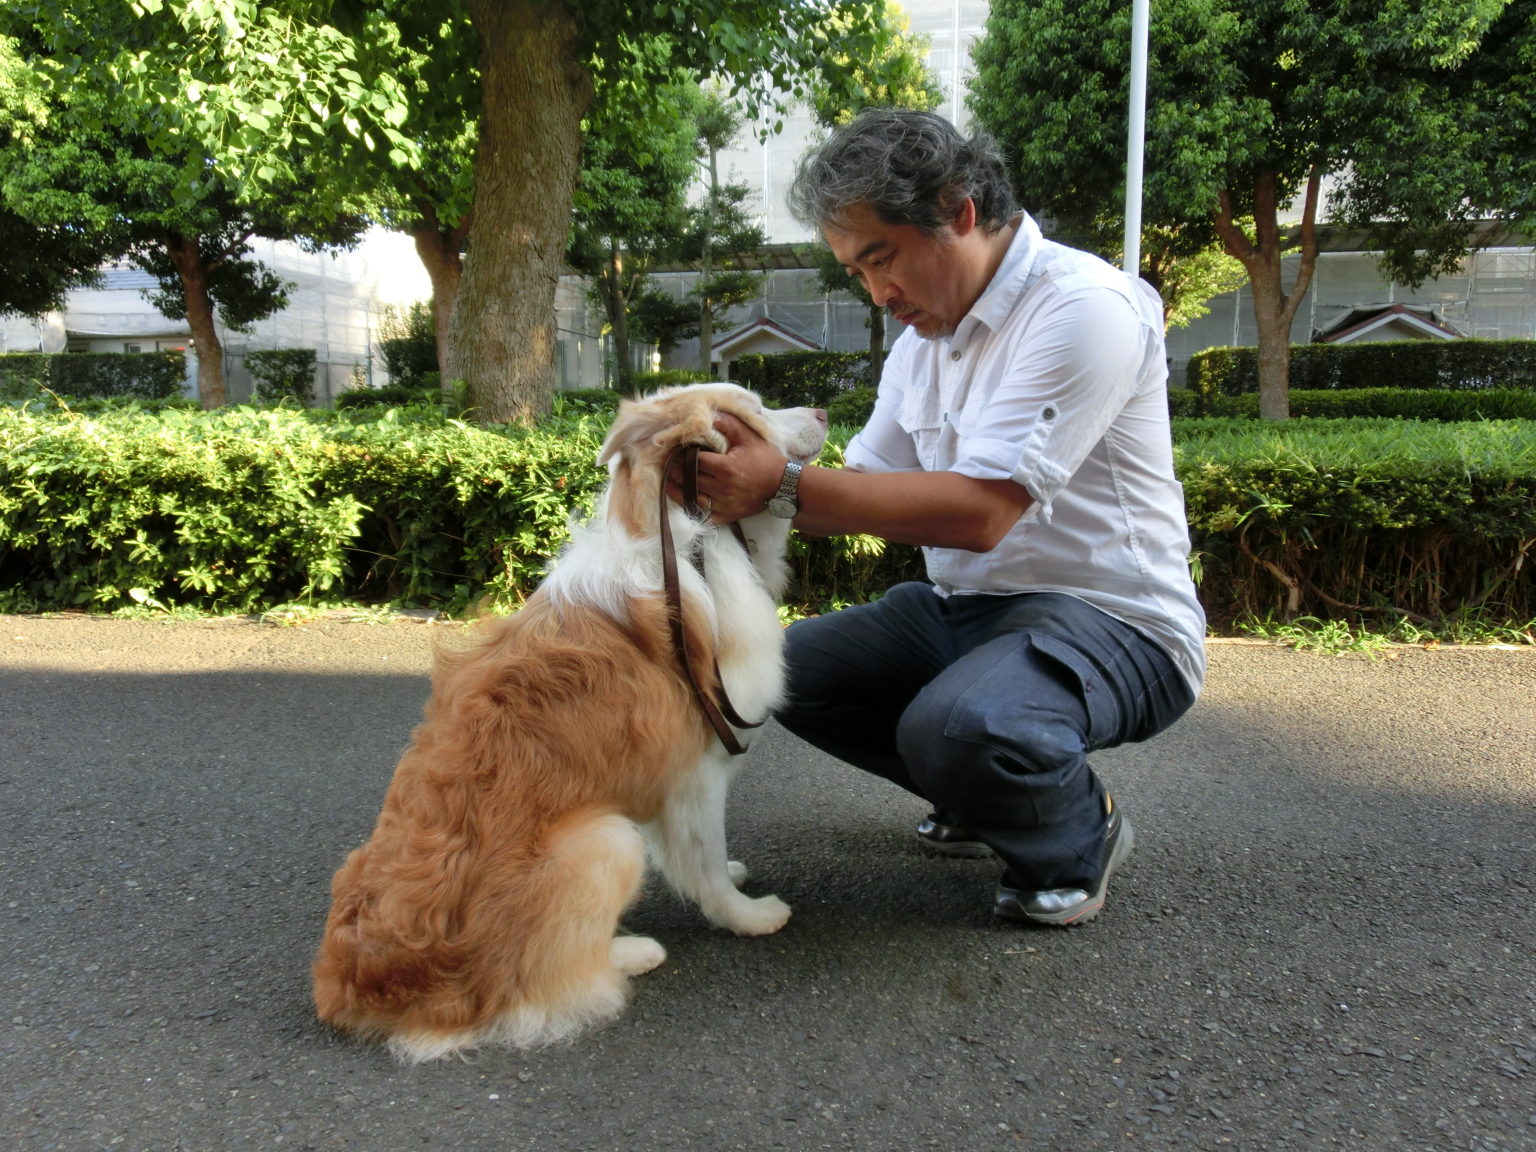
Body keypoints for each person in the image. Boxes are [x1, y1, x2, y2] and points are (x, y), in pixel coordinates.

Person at [688, 108, 1206, 927]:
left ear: (958, 210)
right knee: (770, 672)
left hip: (1117, 622)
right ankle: (989, 795)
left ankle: (1076, 831)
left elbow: (982, 513)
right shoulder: (923, 340)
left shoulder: (1086, 308)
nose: (877, 294)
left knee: (962, 727)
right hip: (968, 615)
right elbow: (862, 485)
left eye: (881, 258)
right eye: (856, 272)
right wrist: (724, 477)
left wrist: (776, 484)